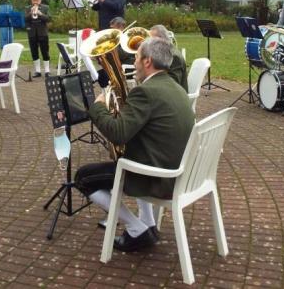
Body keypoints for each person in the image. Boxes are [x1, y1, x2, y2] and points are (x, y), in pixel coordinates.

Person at [75, 38, 195, 252]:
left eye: (136, 57)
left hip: (157, 177)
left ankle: (135, 228)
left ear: (148, 61)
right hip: (176, 170)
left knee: (83, 178)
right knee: (122, 160)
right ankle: (148, 223)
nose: (134, 62)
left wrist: (99, 107)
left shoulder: (146, 92)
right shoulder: (175, 87)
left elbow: (118, 134)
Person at [149, 24, 187, 90]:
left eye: (152, 40)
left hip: (174, 96)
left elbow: (173, 84)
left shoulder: (174, 57)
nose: (149, 43)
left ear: (161, 39)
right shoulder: (163, 52)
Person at [25, 0, 51, 77]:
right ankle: (38, 71)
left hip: (42, 33)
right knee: (34, 52)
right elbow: (25, 19)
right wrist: (31, 12)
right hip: (32, 33)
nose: (35, 2)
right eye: (34, 0)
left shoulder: (45, 8)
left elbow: (48, 19)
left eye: (37, 0)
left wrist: (40, 14)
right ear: (31, 0)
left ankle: (47, 71)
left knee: (45, 51)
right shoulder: (28, 8)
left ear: (40, 0)